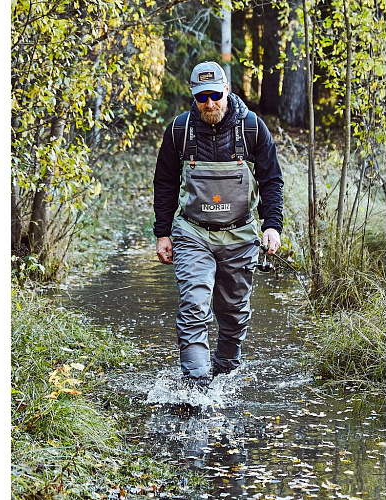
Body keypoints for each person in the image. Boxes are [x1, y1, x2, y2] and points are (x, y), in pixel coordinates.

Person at [153, 61, 283, 388]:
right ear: (193, 96)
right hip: (193, 233)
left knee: (234, 313)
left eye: (214, 95)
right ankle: (197, 388)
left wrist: (272, 225)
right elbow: (165, 183)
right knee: (194, 305)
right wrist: (163, 233)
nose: (209, 103)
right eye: (201, 97)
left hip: (240, 234)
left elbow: (271, 180)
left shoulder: (252, 128)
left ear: (226, 90)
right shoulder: (180, 130)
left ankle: (224, 375)